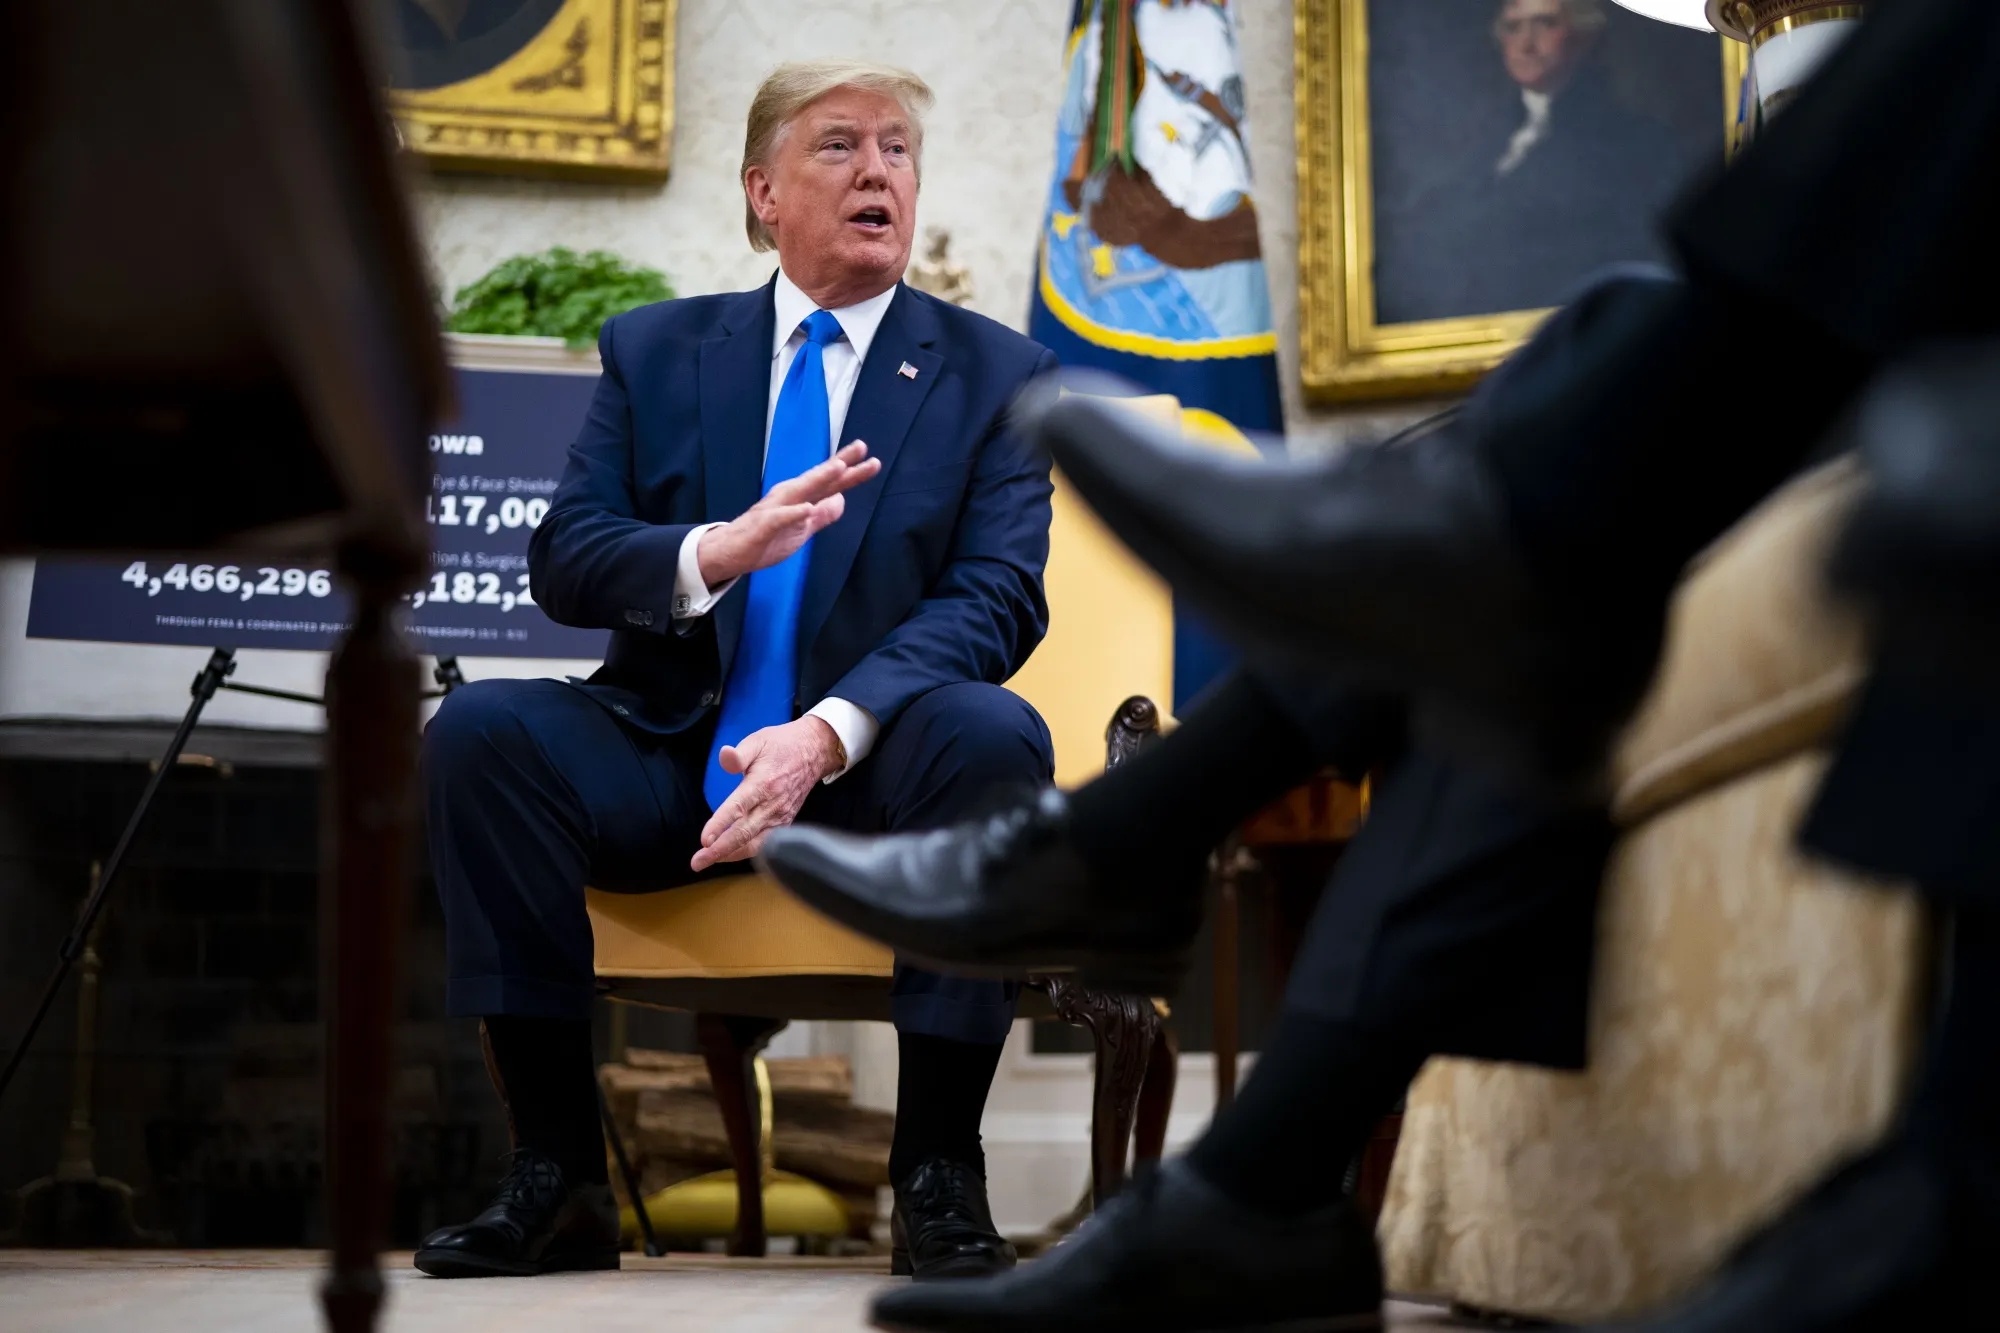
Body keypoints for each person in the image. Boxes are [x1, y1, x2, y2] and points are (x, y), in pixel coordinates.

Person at [413, 59, 1060, 1282]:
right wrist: (716, 549)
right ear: (762, 191)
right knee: (479, 732)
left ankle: (935, 1170)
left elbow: (995, 599)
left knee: (992, 733)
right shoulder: (655, 352)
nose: (879, 170)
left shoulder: (997, 377)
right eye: (839, 146)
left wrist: (824, 733)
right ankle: (554, 1173)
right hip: (669, 753)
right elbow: (564, 560)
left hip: (872, 780)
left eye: (897, 149)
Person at [1380, 0, 1682, 322]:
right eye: (1513, 28)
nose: (1526, 44)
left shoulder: (1631, 140)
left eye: (1545, 24)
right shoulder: (1488, 142)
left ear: (1582, 37)